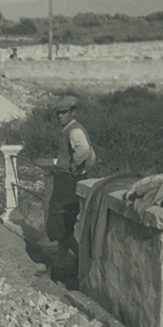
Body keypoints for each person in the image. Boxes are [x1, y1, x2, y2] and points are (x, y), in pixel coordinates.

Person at [45, 95, 96, 273]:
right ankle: (61, 261)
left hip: (69, 182)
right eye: (58, 113)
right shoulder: (71, 129)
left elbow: (84, 151)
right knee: (63, 223)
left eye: (64, 112)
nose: (60, 116)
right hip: (67, 180)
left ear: (73, 112)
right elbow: (91, 155)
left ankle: (79, 259)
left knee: (60, 220)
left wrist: (74, 168)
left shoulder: (74, 130)